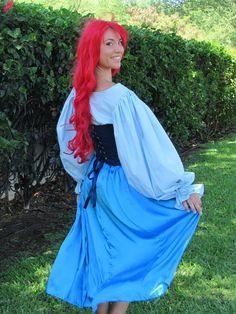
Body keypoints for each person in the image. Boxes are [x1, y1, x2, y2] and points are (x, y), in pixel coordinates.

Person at [45, 19, 204, 314]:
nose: (119, 49)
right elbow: (150, 149)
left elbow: (71, 146)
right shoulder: (121, 98)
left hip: (97, 184)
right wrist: (181, 187)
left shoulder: (79, 95)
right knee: (129, 253)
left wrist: (82, 182)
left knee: (106, 256)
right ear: (94, 49)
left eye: (119, 42)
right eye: (109, 43)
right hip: (122, 187)